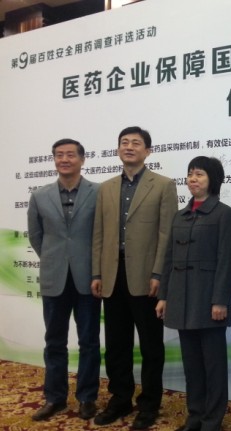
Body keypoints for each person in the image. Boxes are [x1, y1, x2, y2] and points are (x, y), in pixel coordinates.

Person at [91, 126, 178, 429]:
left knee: (151, 346)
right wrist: (97, 272)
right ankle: (120, 398)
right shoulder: (106, 188)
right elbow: (99, 234)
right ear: (118, 149)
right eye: (124, 142)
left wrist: (159, 273)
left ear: (148, 151)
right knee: (116, 344)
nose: (129, 147)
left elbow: (167, 234)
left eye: (136, 143)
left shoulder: (163, 185)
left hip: (146, 278)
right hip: (112, 276)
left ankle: (149, 404)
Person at [156, 156, 231, 431]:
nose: (193, 178)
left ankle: (212, 421)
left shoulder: (225, 214)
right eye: (190, 173)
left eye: (200, 174)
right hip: (181, 301)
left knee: (213, 367)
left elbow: (227, 261)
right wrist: (164, 296)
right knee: (192, 366)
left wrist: (220, 300)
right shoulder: (180, 216)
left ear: (213, 179)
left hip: (209, 302)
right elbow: (169, 259)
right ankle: (195, 417)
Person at [27, 139, 101, 422]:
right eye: (59, 155)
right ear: (54, 160)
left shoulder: (98, 192)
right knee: (54, 341)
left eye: (70, 155)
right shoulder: (40, 195)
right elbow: (36, 236)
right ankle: (54, 398)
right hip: (54, 277)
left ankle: (87, 397)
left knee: (89, 342)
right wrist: (54, 258)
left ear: (82, 159)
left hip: (88, 278)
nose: (64, 159)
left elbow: (102, 233)